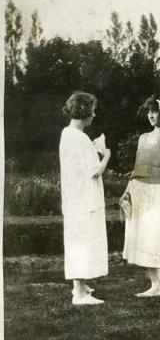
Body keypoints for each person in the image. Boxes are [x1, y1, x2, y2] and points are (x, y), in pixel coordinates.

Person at [120, 95, 160, 305]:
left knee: (159, 237)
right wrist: (127, 191)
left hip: (156, 190)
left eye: (154, 111)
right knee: (143, 237)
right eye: (149, 111)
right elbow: (136, 168)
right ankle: (154, 285)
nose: (151, 115)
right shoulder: (142, 138)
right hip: (138, 188)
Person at [59, 91, 111, 305]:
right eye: (93, 110)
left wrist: (93, 148)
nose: (95, 114)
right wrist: (106, 153)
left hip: (76, 199)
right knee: (82, 242)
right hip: (84, 200)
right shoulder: (79, 138)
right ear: (85, 111)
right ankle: (79, 293)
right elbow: (95, 171)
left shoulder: (67, 134)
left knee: (78, 240)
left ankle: (79, 286)